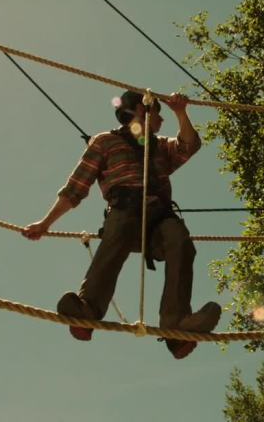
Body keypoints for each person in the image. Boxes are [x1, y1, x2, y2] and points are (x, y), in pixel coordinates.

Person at [22, 90, 221, 359]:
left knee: (179, 238)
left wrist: (180, 112)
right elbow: (76, 188)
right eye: (158, 113)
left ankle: (176, 325)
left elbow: (189, 145)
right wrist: (46, 222)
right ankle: (88, 309)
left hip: (159, 219)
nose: (162, 120)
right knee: (118, 232)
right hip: (124, 211)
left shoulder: (160, 146)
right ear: (142, 109)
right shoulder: (105, 142)